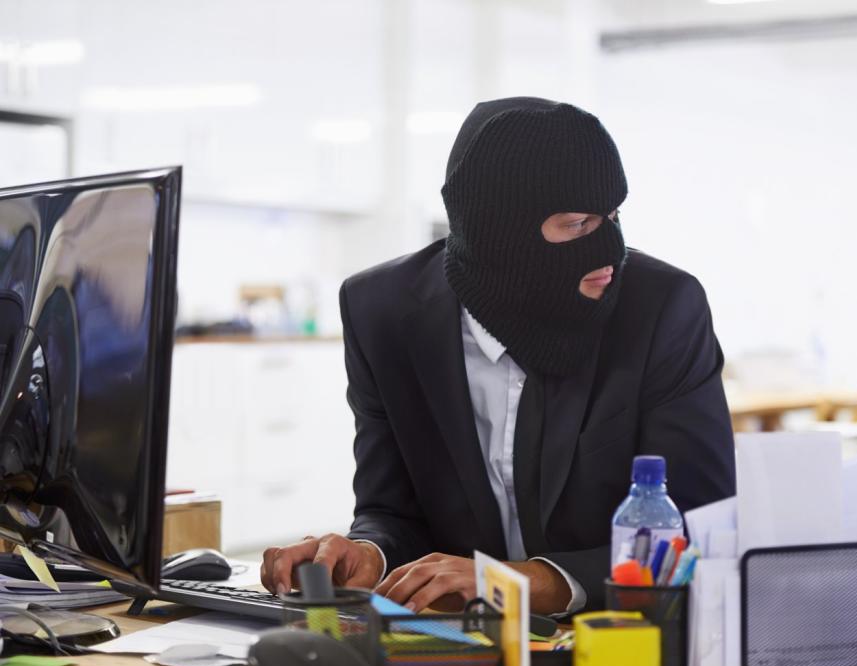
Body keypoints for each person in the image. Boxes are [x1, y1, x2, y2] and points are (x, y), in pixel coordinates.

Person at [261, 96, 735, 615]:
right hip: (454, 647)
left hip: (615, 640)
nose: (609, 250)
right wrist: (368, 552)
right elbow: (390, 510)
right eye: (577, 223)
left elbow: (700, 526)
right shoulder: (383, 312)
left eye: (614, 215)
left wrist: (531, 582)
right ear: (499, 229)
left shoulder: (662, 307)